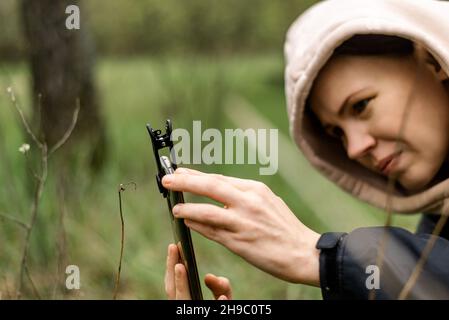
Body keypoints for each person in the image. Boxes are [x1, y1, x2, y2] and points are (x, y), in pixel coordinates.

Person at [164, 0, 449, 299]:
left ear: (433, 58)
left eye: (361, 105)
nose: (353, 148)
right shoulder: (438, 225)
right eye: (336, 133)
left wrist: (318, 257)